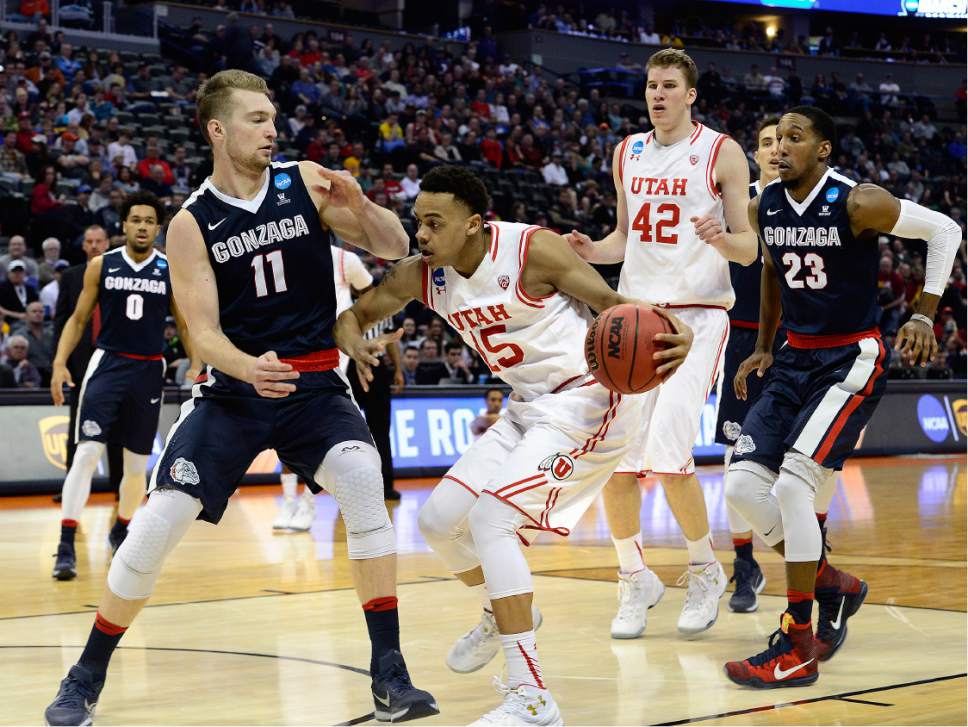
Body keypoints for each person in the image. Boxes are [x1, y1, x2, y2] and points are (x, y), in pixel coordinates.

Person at [43, 70, 437, 727]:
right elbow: (202, 333)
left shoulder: (309, 181)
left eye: (272, 118)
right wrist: (247, 367)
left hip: (313, 385)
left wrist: (363, 207)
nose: (271, 129)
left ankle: (389, 673)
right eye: (256, 119)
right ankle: (84, 675)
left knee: (366, 482)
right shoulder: (191, 225)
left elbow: (398, 248)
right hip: (233, 391)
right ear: (218, 130)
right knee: (158, 519)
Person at [336, 164, 692, 725]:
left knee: (491, 521)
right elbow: (355, 314)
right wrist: (355, 344)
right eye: (418, 222)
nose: (421, 235)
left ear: (474, 224)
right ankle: (499, 609)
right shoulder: (424, 276)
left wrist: (678, 329)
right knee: (437, 522)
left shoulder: (532, 251)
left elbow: (616, 305)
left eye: (434, 223)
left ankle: (532, 697)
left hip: (588, 401)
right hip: (527, 406)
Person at [723, 106, 961, 688]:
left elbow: (946, 230)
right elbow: (774, 271)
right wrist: (765, 344)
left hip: (850, 357)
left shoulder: (858, 201)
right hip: (793, 356)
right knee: (740, 485)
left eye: (795, 139)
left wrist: (924, 314)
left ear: (823, 150)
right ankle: (833, 583)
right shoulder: (763, 205)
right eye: (776, 139)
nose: (779, 148)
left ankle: (799, 640)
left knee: (793, 486)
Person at [566, 48, 758, 639]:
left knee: (671, 456)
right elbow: (623, 237)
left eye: (669, 85)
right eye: (651, 85)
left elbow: (750, 249)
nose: (657, 94)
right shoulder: (627, 151)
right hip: (636, 318)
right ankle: (634, 577)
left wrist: (721, 239)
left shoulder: (721, 151)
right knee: (618, 463)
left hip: (697, 320)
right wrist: (589, 251)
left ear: (690, 93)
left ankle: (704, 570)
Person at [48, 192, 197, 583]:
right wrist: (60, 364)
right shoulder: (102, 266)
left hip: (148, 371)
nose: (143, 226)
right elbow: (78, 320)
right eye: (137, 220)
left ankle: (121, 529)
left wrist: (198, 364)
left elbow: (184, 325)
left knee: (136, 467)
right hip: (108, 365)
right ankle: (66, 543)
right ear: (124, 225)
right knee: (86, 453)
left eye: (150, 220)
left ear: (158, 227)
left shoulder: (169, 268)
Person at [273, 243, 376, 531]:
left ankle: (308, 504)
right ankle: (289, 502)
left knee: (314, 431)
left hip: (330, 357)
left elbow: (371, 295)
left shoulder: (345, 259)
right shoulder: (283, 253)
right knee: (286, 431)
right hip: (289, 349)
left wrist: (356, 331)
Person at [0, 259, 39, 324]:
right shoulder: (2, 288)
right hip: (9, 322)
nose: (17, 274)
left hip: (30, 322)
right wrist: (18, 315)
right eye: (14, 271)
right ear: (8, 273)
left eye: (20, 271)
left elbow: (36, 304)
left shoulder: (30, 289)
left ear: (25, 274)